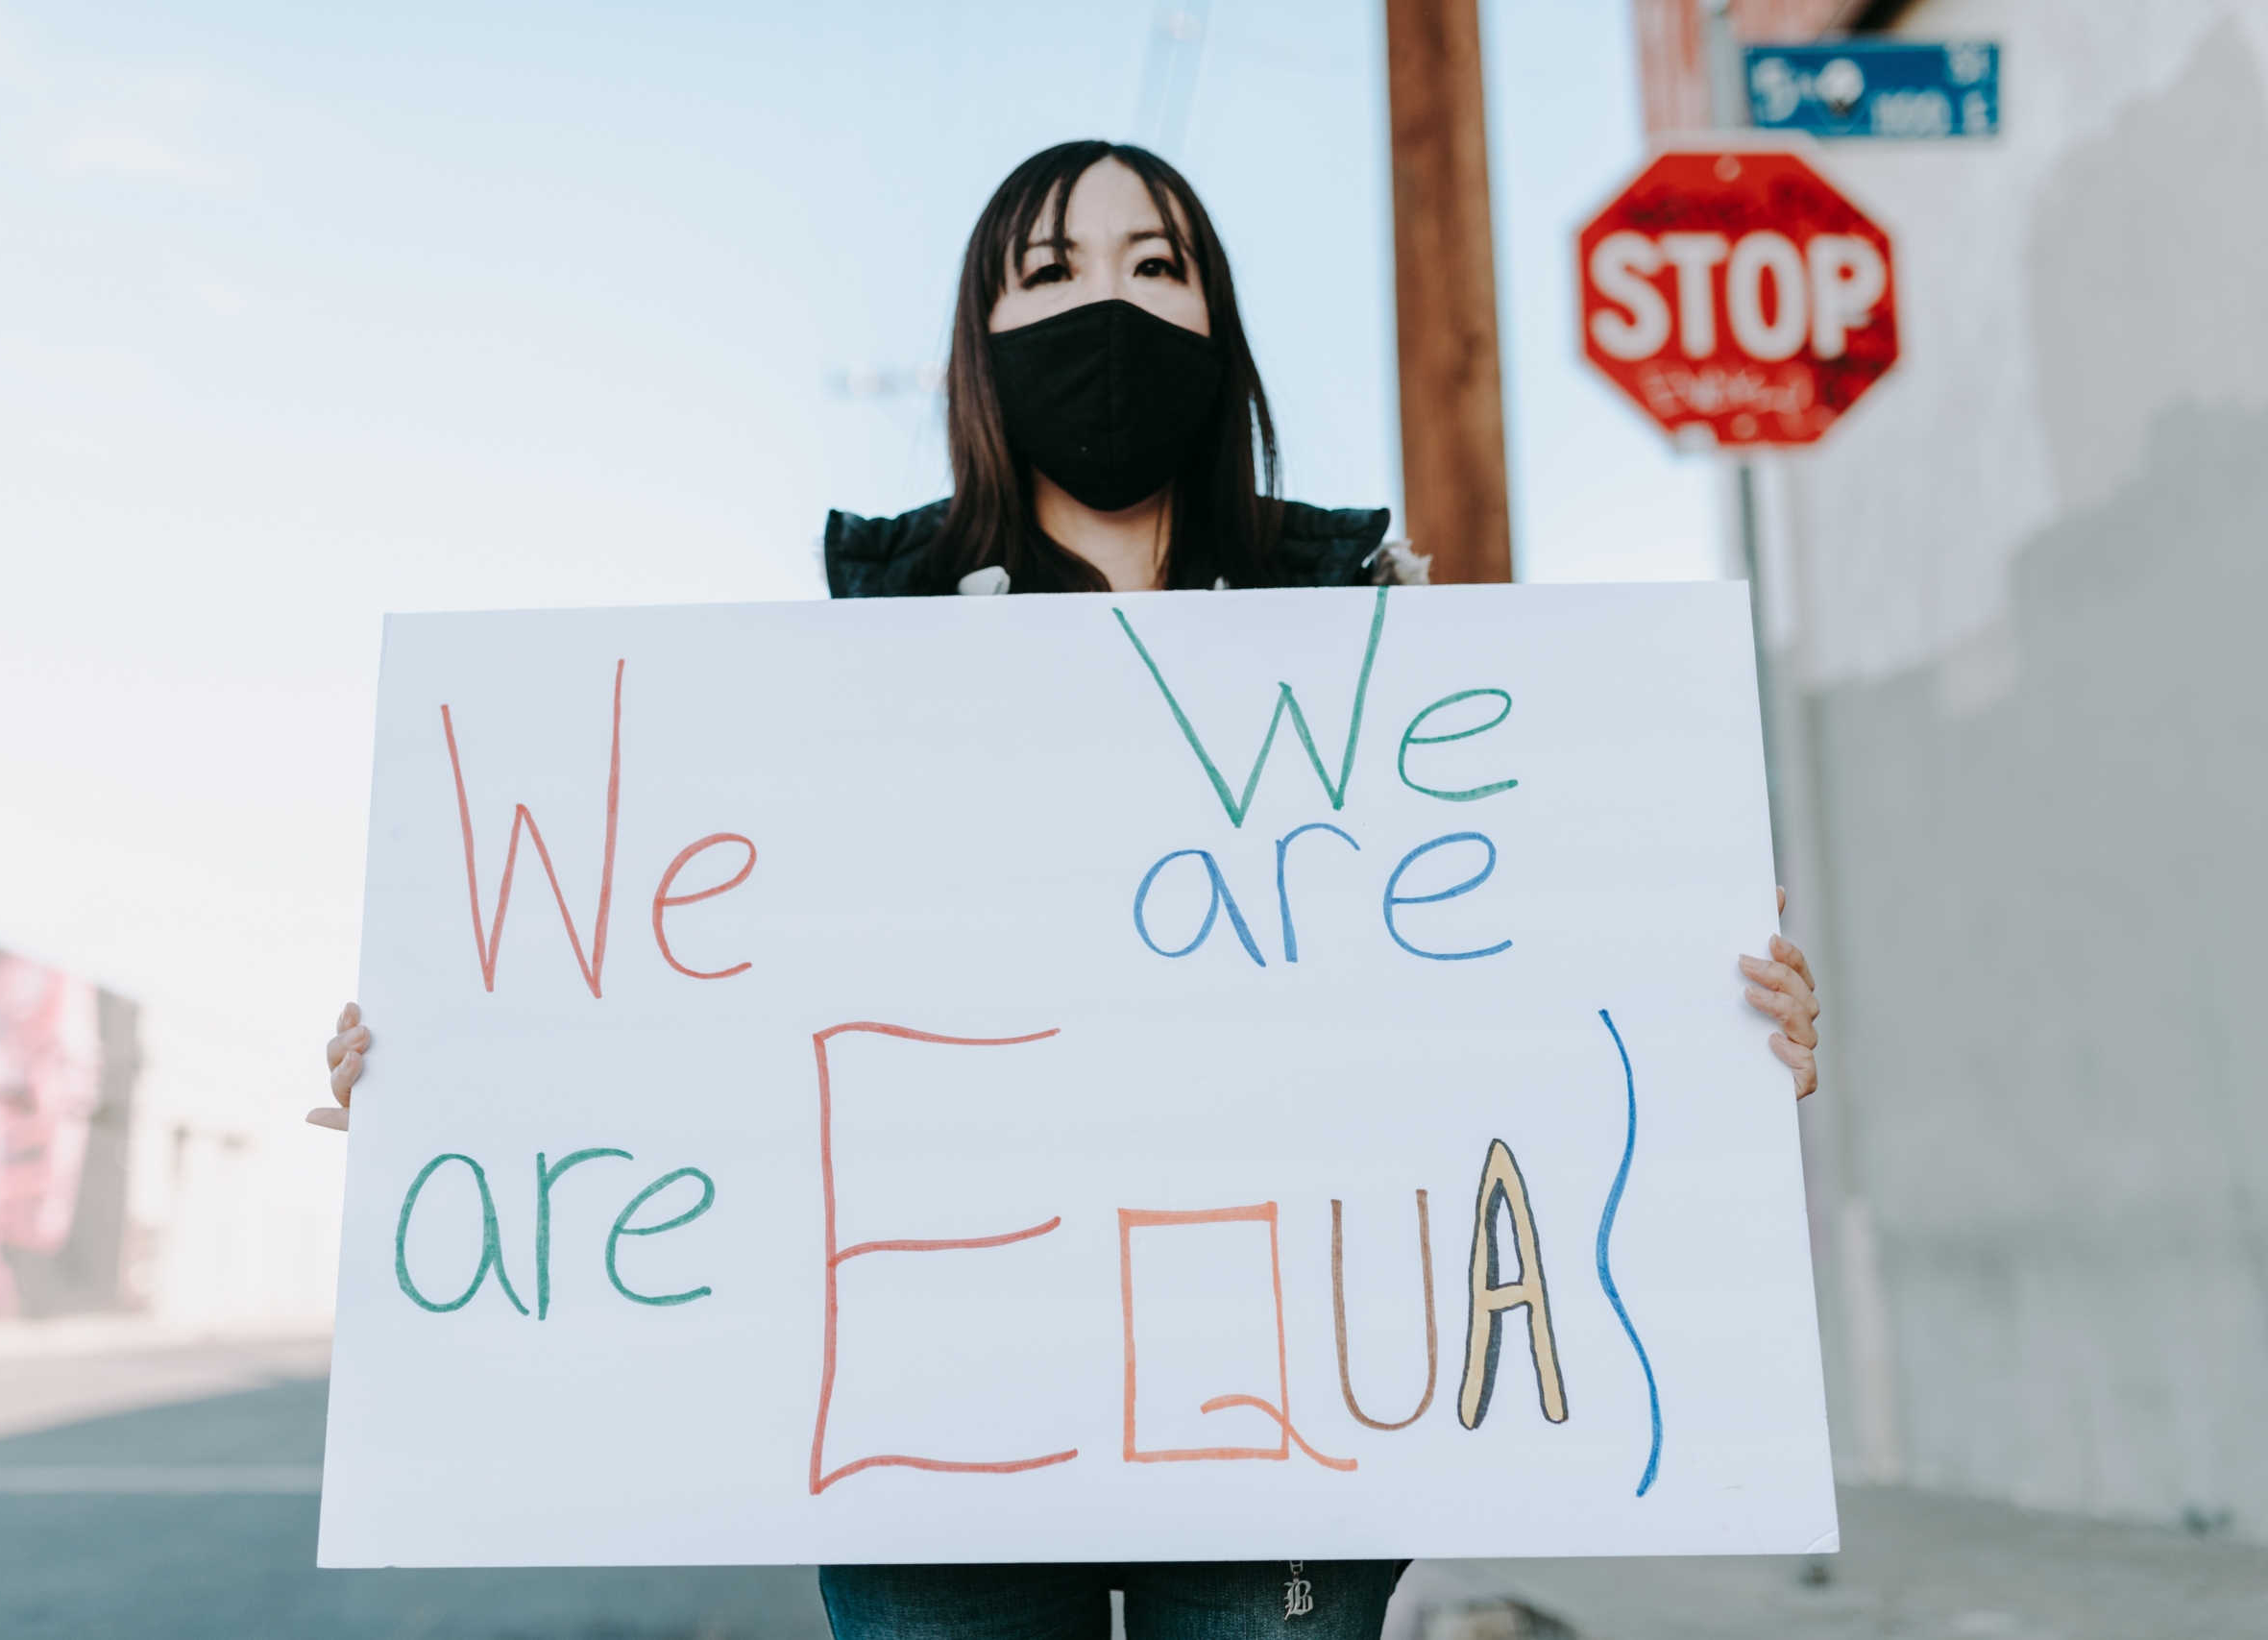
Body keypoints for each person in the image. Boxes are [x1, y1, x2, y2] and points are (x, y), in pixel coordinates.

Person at [313, 140, 1823, 1640]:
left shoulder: (1364, 622)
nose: (1108, 308)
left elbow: (1500, 981)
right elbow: (714, 988)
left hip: (1287, 1413)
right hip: (939, 1407)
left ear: (1217, 327)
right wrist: (454, 1065)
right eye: (1052, 273)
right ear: (982, 343)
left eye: (1155, 266)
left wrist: (1726, 1044)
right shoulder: (859, 635)